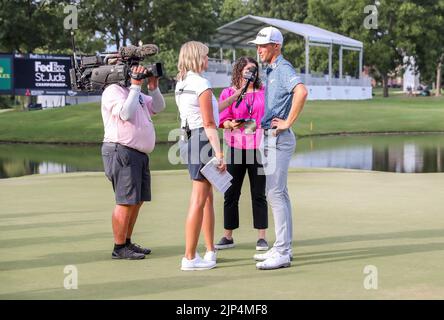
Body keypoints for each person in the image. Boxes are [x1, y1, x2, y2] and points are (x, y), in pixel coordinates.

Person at [248, 26, 308, 270]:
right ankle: (283, 247)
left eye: (263, 46)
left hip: (278, 139)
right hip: (270, 137)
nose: (258, 50)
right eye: (258, 46)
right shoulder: (271, 70)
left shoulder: (282, 68)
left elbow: (301, 92)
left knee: (275, 193)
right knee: (278, 193)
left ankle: (282, 251)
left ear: (276, 46)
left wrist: (287, 122)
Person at [101, 65, 166, 260]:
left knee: (137, 201)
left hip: (138, 154)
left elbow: (158, 107)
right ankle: (119, 247)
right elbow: (125, 114)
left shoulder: (132, 91)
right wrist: (136, 85)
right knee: (125, 201)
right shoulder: (112, 91)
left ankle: (127, 241)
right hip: (121, 150)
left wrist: (153, 87)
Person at [175, 41, 226, 271]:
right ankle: (189, 257)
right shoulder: (202, 83)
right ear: (197, 58)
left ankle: (209, 250)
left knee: (206, 199)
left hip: (188, 140)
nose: (208, 60)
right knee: (198, 200)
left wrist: (232, 98)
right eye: (205, 56)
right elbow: (209, 122)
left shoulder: (182, 83)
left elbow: (207, 112)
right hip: (202, 140)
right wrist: (219, 152)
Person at [215, 56, 269, 252]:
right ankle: (228, 236)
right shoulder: (228, 93)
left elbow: (267, 117)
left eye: (254, 70)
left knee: (258, 194)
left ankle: (262, 237)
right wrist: (230, 123)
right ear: (239, 71)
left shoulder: (264, 93)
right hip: (235, 147)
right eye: (247, 70)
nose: (251, 74)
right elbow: (222, 119)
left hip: (258, 149)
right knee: (231, 193)